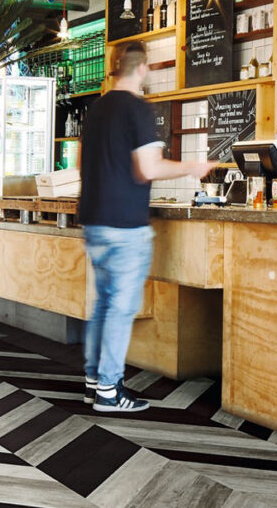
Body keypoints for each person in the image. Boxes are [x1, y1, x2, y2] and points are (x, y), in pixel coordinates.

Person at [78, 40, 216, 413]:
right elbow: (149, 169)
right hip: (125, 224)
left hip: (94, 220)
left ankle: (93, 382)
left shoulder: (96, 108)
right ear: (142, 68)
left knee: (103, 305)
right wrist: (194, 167)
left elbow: (81, 165)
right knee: (120, 308)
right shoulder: (137, 108)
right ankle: (108, 391)